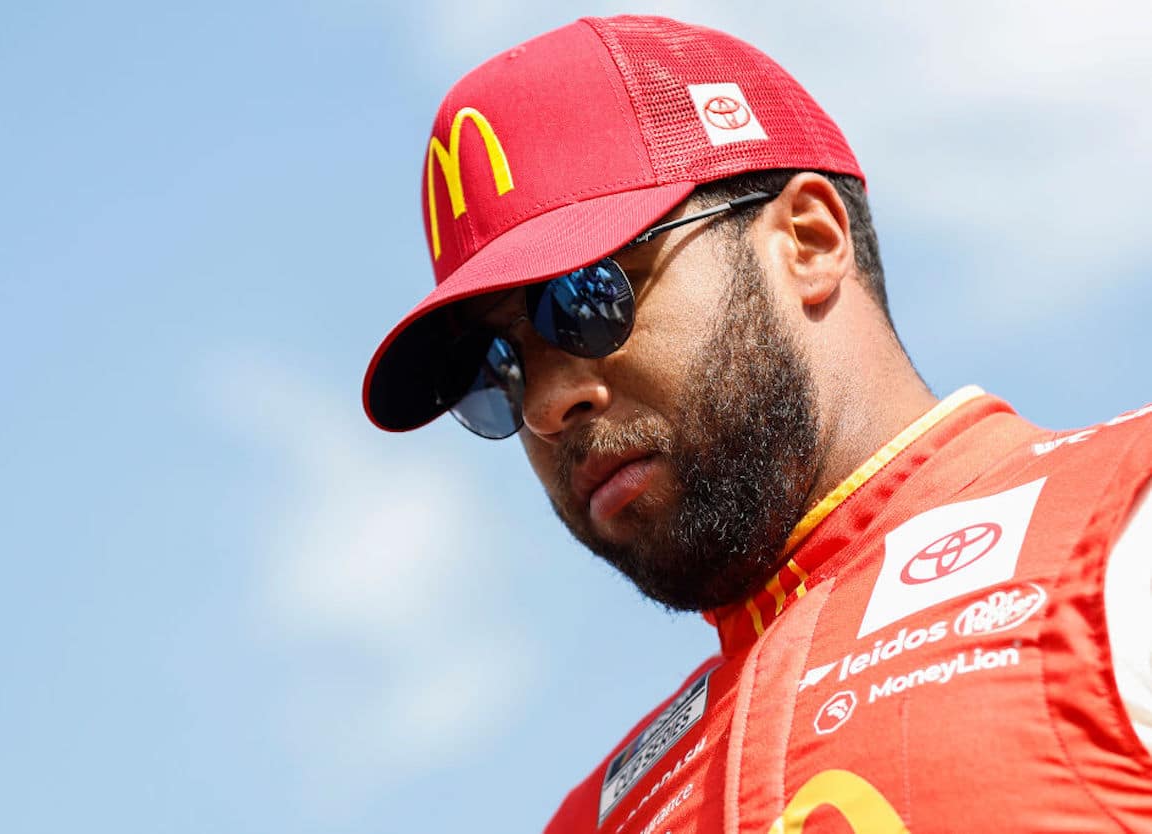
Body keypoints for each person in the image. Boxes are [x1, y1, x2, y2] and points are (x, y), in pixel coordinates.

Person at [361, 14, 1152, 833]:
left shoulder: (1124, 521)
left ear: (808, 242)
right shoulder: (597, 818)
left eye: (586, 300)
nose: (544, 406)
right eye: (498, 369)